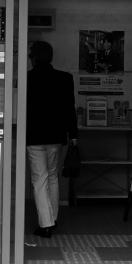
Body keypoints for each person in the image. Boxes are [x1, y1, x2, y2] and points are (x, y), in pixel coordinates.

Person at [25, 40, 77, 239]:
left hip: (34, 138)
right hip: (56, 137)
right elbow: (69, 110)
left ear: (35, 58)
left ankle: (45, 224)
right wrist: (74, 137)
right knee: (53, 176)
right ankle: (53, 218)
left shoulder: (26, 79)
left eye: (31, 56)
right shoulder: (64, 79)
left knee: (40, 179)